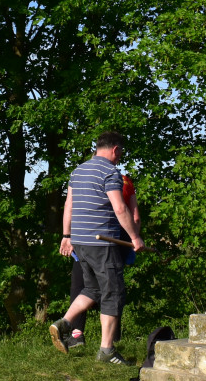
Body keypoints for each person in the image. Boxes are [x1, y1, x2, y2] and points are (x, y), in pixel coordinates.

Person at [49, 131, 144, 366]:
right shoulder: (111, 172)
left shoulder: (78, 171)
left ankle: (64, 324)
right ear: (115, 150)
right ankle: (106, 350)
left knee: (92, 289)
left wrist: (66, 236)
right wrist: (134, 237)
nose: (119, 158)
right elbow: (120, 209)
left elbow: (68, 204)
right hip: (103, 243)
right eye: (120, 153)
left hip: (80, 242)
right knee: (113, 293)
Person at [68, 169, 139, 347]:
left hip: (85, 236)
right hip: (115, 238)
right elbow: (134, 216)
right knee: (113, 288)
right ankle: (112, 339)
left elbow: (70, 207)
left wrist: (67, 235)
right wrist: (134, 239)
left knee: (81, 284)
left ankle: (75, 334)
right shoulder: (124, 181)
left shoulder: (82, 178)